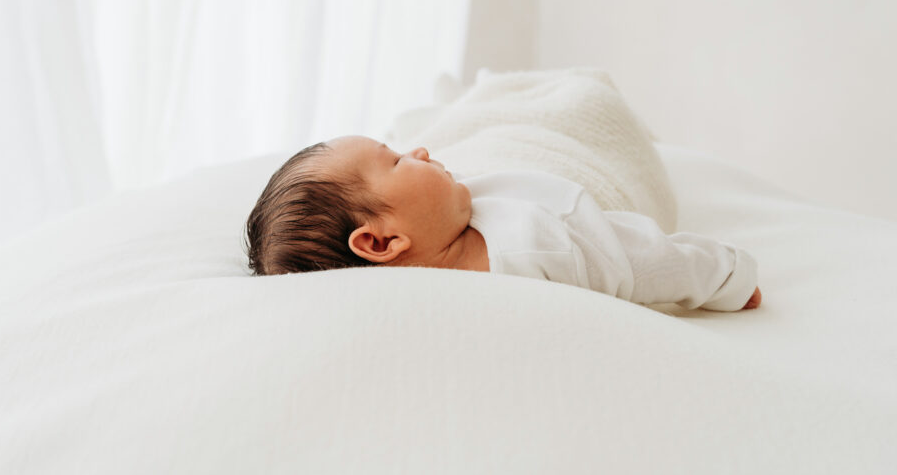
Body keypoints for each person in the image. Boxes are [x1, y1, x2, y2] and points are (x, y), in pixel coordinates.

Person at [245, 135, 762, 311]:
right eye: (400, 160)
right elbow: (649, 260)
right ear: (381, 242)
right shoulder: (543, 248)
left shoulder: (441, 222)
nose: (419, 150)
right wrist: (727, 276)